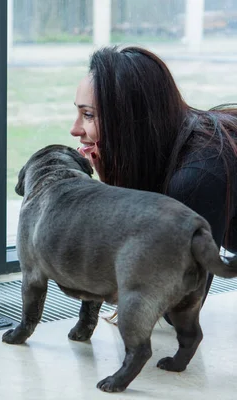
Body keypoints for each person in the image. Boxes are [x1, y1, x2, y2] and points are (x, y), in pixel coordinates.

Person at [70, 45, 237, 324]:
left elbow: (178, 310)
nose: (74, 129)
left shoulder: (197, 177)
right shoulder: (172, 149)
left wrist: (115, 194)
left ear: (128, 121)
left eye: (88, 115)